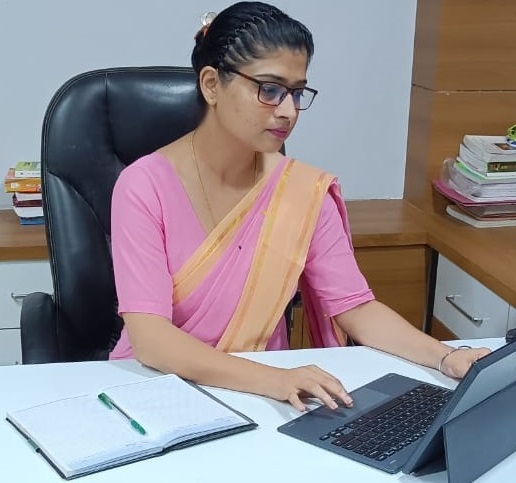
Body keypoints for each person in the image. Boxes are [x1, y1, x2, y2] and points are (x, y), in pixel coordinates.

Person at [110, 1, 489, 411]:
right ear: (212, 84)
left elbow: (355, 307)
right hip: (160, 390)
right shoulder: (143, 186)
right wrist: (275, 379)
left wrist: (446, 357)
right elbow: (150, 337)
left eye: (296, 92)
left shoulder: (302, 191)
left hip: (263, 400)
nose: (288, 111)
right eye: (269, 90)